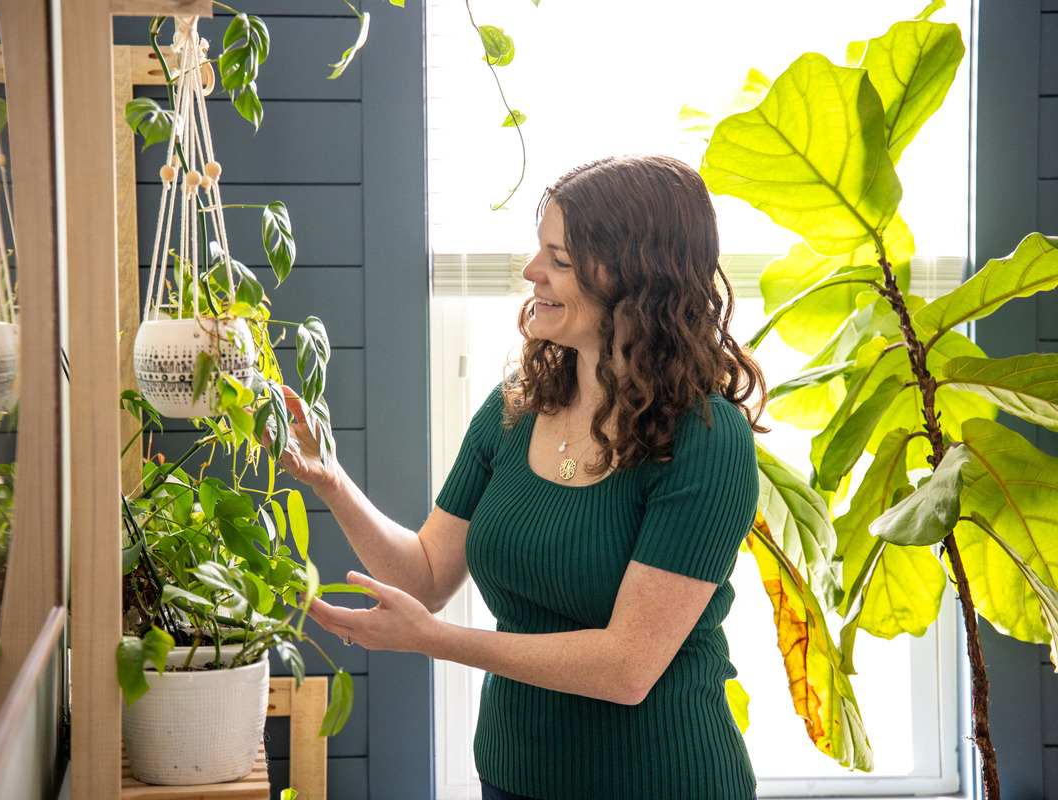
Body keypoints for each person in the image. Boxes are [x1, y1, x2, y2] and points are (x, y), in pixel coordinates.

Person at [280, 154, 766, 800]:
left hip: (660, 781)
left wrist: (436, 643)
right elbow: (424, 578)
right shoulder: (515, 407)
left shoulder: (706, 442)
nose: (531, 272)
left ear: (637, 280)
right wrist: (330, 479)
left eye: (559, 259)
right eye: (541, 251)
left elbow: (626, 668)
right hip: (513, 776)